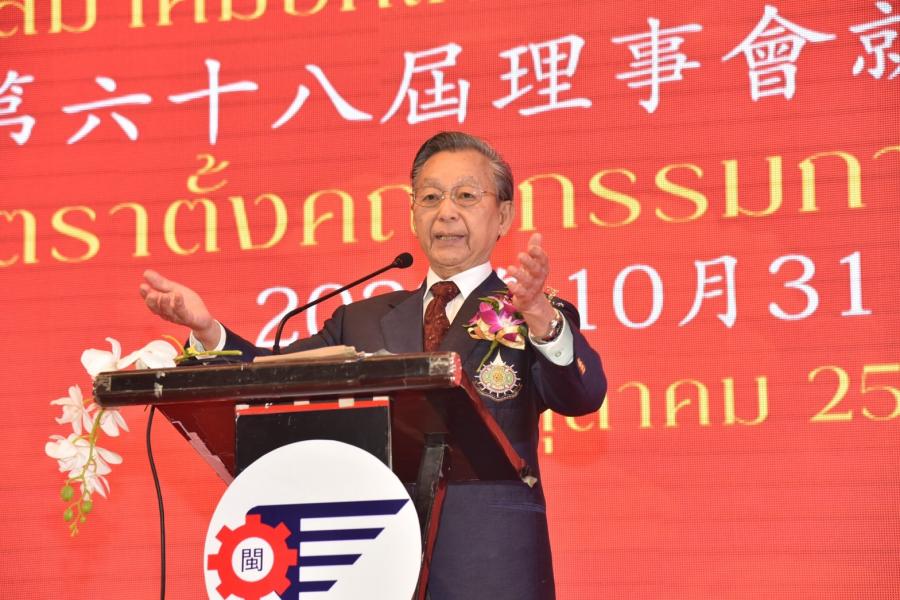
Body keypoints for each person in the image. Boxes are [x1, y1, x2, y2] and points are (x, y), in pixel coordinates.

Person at [141, 131, 606, 600]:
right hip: (370, 568)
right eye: (430, 197)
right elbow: (273, 375)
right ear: (413, 213)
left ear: (503, 215)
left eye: (466, 195)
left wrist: (542, 320)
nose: (446, 211)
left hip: (491, 568)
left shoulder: (532, 313)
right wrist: (208, 331)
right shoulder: (360, 320)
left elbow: (582, 395)